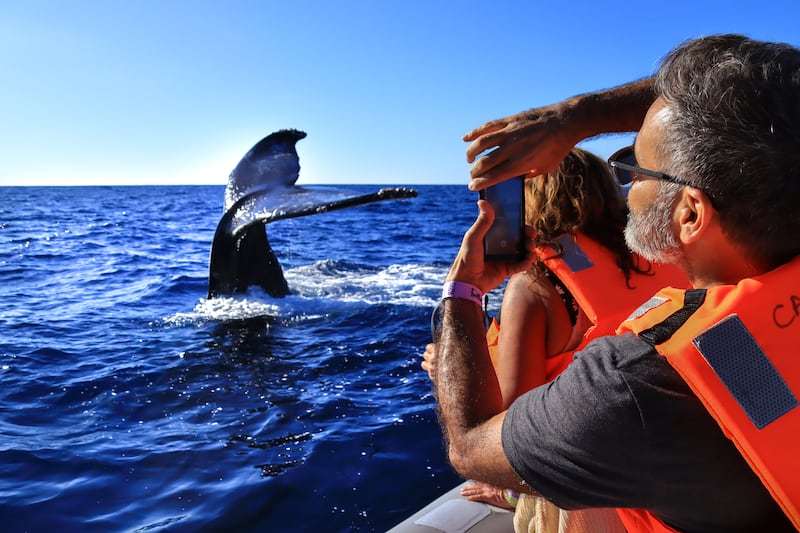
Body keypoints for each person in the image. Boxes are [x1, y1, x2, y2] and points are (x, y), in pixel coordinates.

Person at [432, 34, 800, 532]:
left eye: (634, 168)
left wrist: (463, 291)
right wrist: (574, 118)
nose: (626, 186)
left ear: (690, 212)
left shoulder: (635, 385)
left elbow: (471, 446)